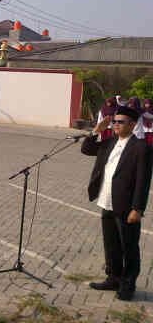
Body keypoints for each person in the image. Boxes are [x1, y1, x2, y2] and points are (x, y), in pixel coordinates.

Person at [82, 106, 152, 301]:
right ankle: (113, 278)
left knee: (129, 246)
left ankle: (128, 284)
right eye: (114, 122)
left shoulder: (141, 148)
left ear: (132, 124)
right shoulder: (110, 142)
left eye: (120, 122)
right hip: (107, 201)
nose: (115, 125)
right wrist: (96, 130)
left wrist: (138, 208)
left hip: (126, 205)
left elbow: (143, 181)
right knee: (111, 243)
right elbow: (86, 149)